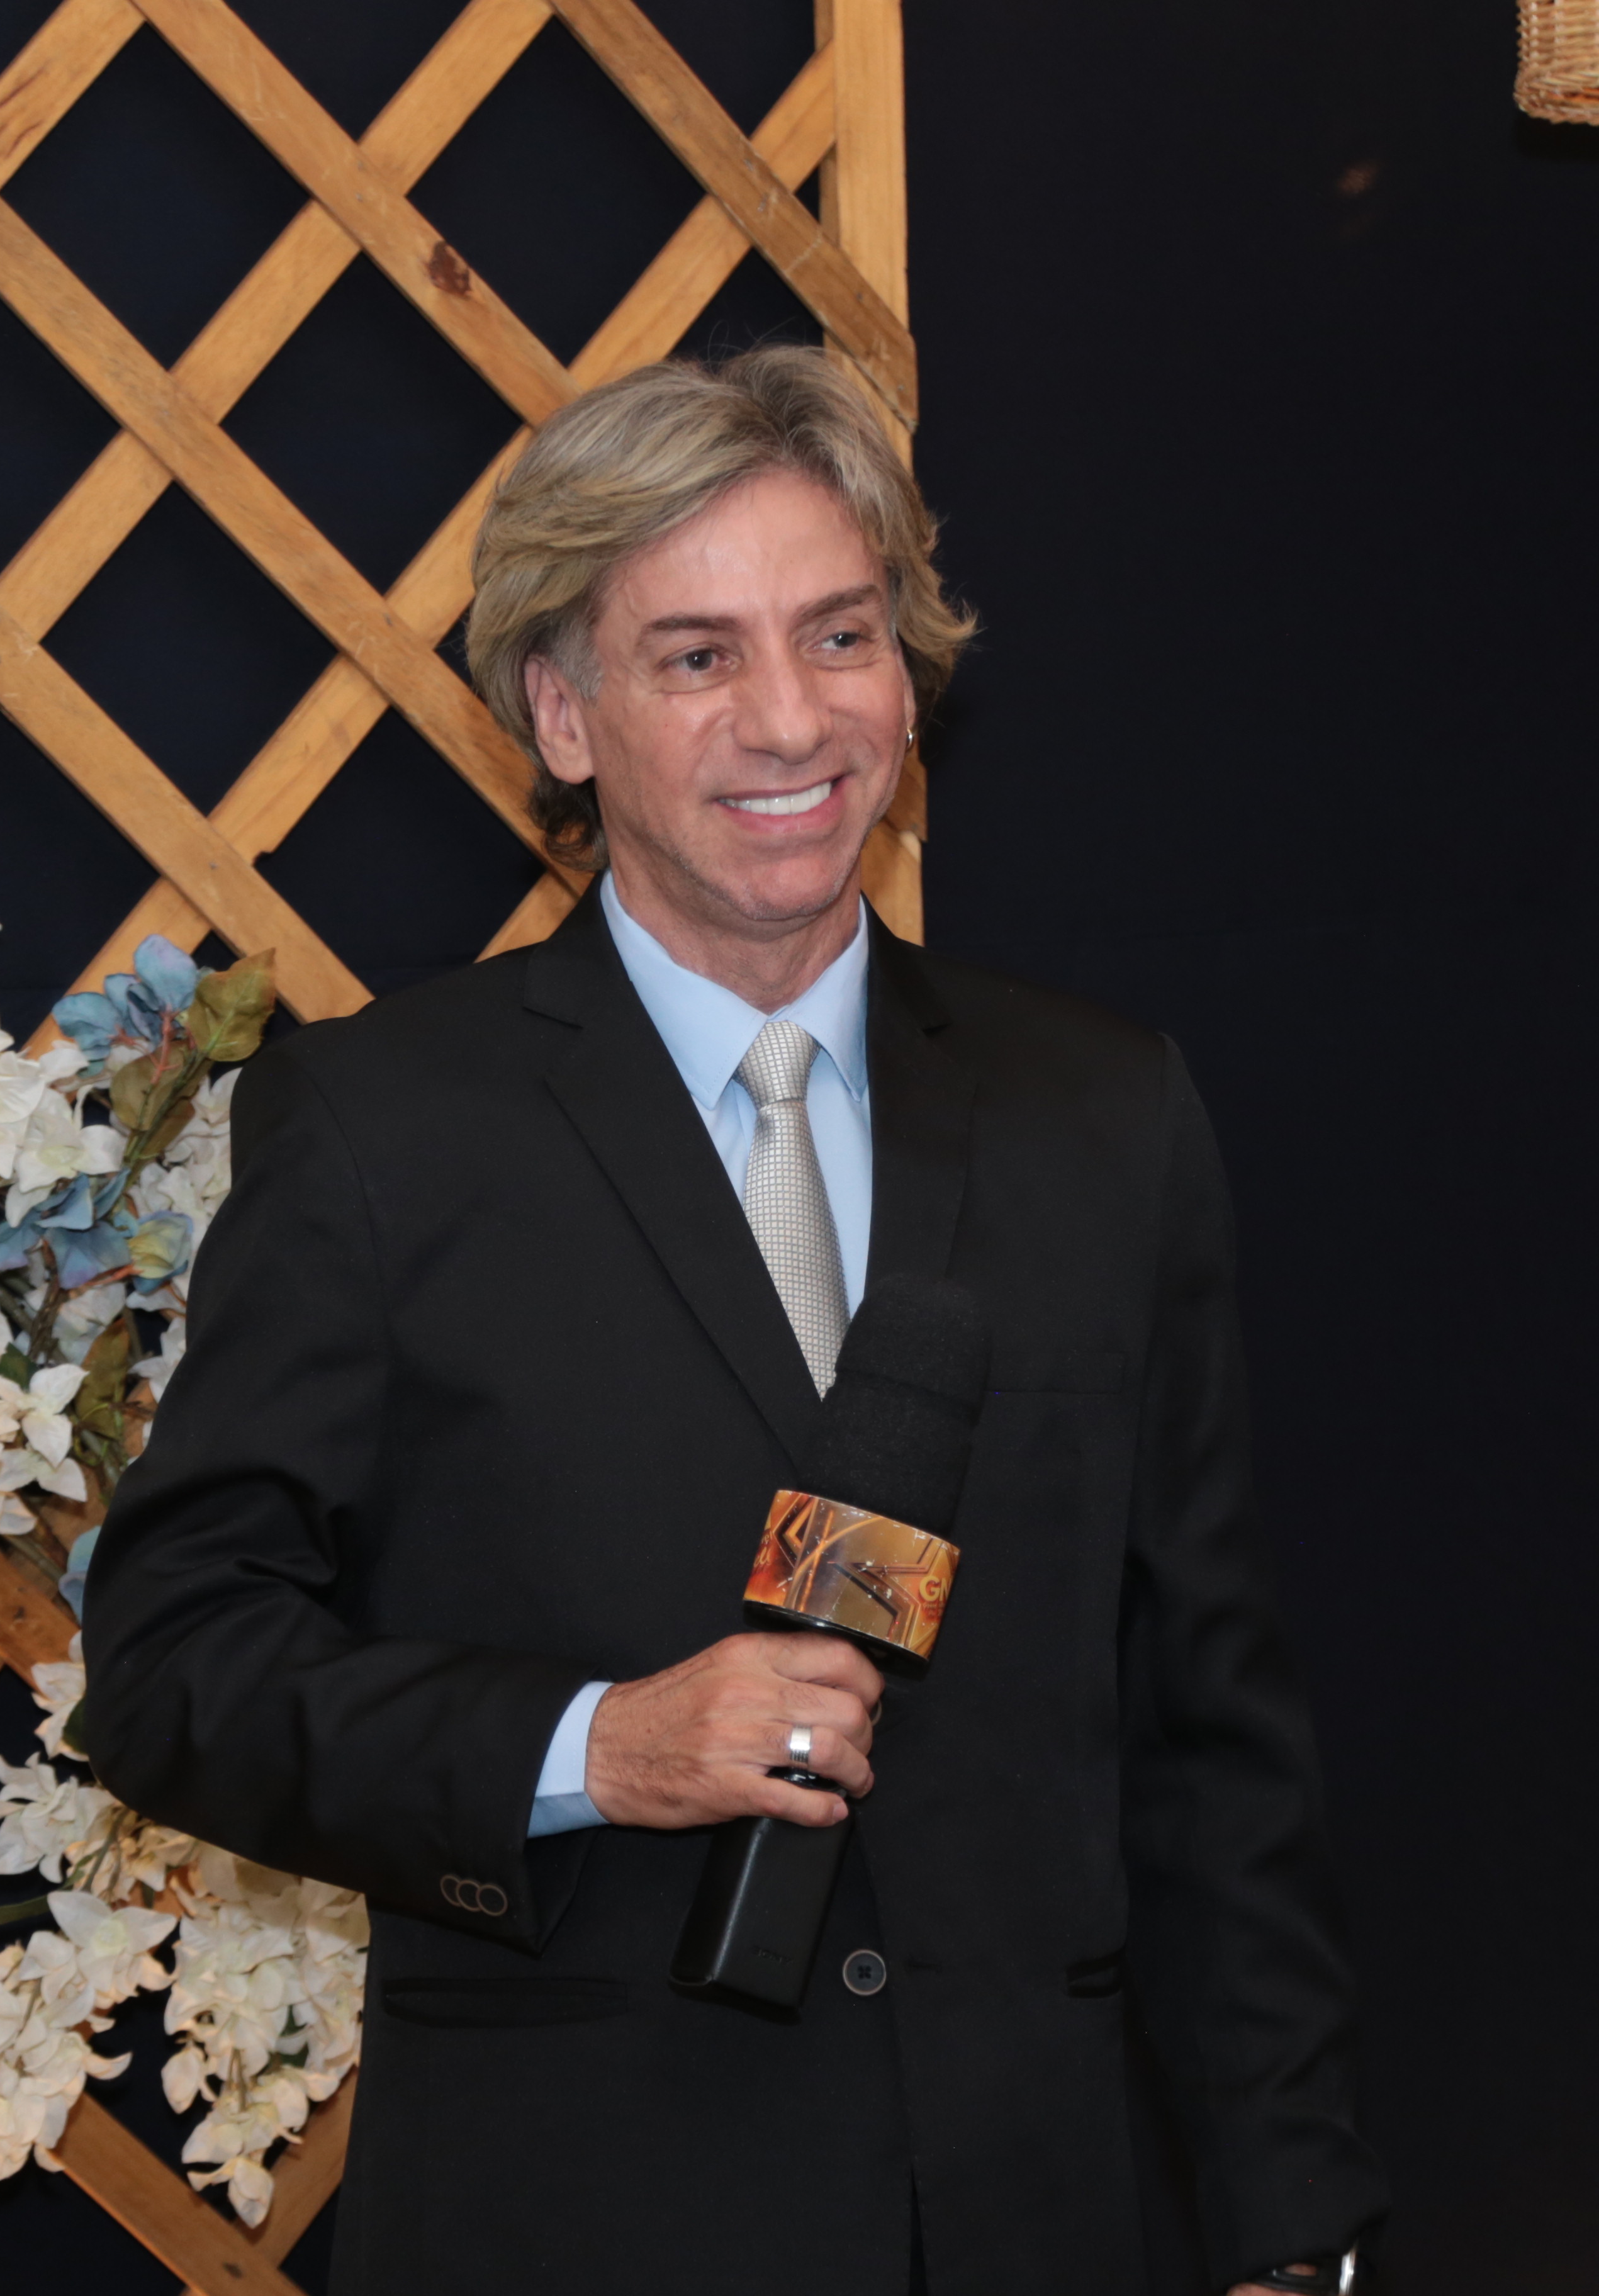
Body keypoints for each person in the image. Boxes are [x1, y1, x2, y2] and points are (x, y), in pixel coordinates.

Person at [82, 346, 1386, 2295]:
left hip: (1027, 2220)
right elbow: (175, 1670)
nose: (791, 717)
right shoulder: (380, 1132)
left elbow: (1211, 1731)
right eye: (697, 656)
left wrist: (1293, 2229)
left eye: (840, 635)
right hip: (574, 2227)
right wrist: (595, 1747)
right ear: (563, 712)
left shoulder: (1103, 1115)